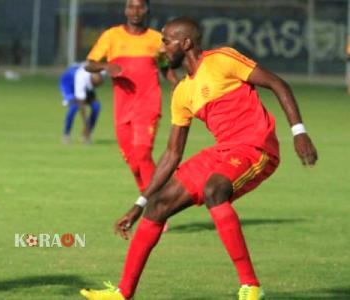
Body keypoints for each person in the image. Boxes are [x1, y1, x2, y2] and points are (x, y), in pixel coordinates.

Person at [80, 17, 317, 300]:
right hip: (223, 150)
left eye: (166, 41)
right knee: (159, 205)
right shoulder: (182, 92)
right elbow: (172, 153)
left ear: (186, 43)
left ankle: (251, 286)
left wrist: (298, 132)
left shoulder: (222, 59)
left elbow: (278, 83)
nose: (163, 48)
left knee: (214, 189)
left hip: (256, 148)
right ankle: (122, 293)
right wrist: (139, 204)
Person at [85, 0, 177, 193]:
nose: (135, 11)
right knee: (134, 162)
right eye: (131, 6)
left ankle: (157, 207)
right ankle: (150, 200)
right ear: (125, 10)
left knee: (143, 153)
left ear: (147, 10)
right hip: (122, 108)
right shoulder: (111, 36)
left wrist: (178, 86)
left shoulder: (156, 39)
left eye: (140, 7)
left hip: (148, 105)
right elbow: (90, 64)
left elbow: (164, 66)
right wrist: (106, 66)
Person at [59, 64, 103, 144]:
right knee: (74, 107)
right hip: (69, 82)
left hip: (85, 84)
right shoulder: (81, 79)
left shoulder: (98, 72)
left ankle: (86, 135)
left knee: (96, 106)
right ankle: (66, 134)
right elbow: (82, 106)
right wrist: (86, 125)